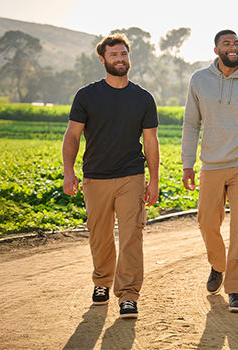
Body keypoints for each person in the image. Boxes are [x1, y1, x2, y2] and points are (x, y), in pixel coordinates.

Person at [61, 33, 159, 320]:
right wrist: (69, 172)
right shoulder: (87, 95)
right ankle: (102, 282)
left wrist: (153, 180)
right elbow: (72, 136)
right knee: (100, 234)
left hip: (131, 174)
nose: (120, 59)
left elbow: (151, 142)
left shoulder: (143, 98)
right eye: (114, 54)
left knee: (132, 235)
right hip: (96, 176)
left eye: (124, 54)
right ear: (102, 59)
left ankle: (128, 295)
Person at [181, 29, 238, 313]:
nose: (232, 47)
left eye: (236, 43)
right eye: (226, 43)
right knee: (206, 222)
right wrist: (187, 163)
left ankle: (236, 289)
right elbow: (190, 123)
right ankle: (218, 265)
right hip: (210, 163)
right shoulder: (199, 80)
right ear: (216, 50)